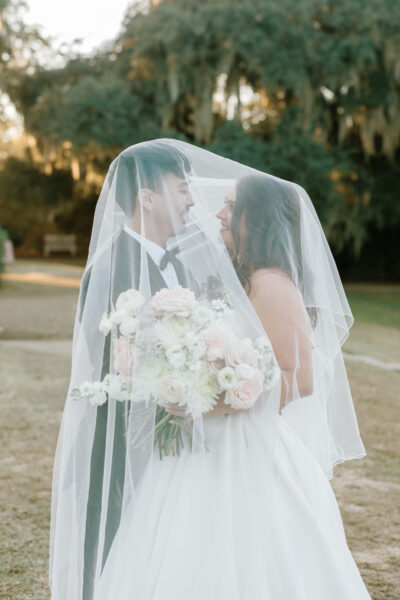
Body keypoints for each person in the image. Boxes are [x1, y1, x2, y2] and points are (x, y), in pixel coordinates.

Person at [49, 139, 372, 600]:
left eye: (228, 206)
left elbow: (289, 373)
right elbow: (116, 361)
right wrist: (182, 388)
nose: (206, 208)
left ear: (252, 220)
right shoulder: (114, 267)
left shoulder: (232, 273)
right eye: (183, 190)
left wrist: (213, 396)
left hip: (217, 436)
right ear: (148, 196)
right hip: (134, 441)